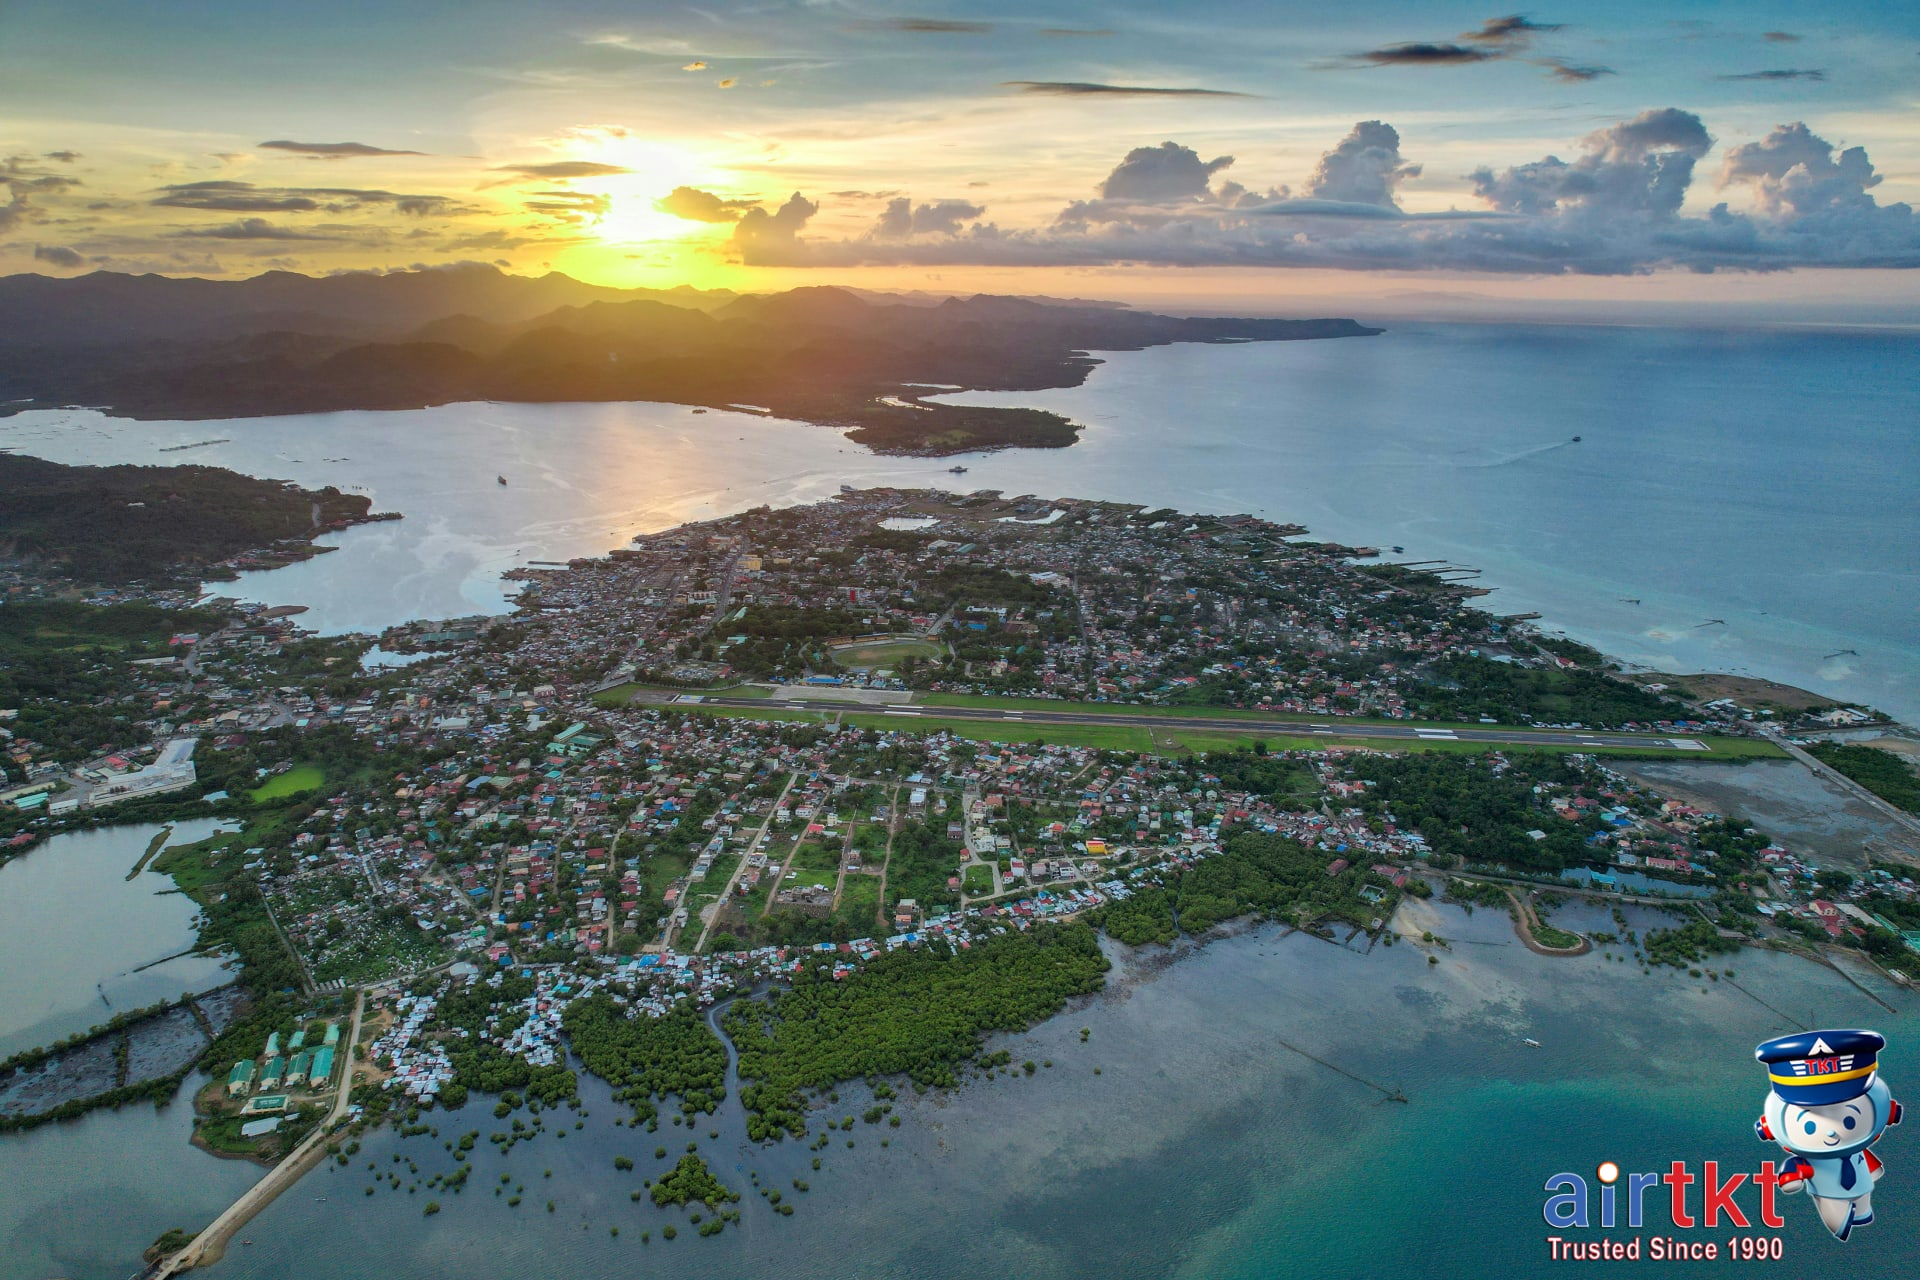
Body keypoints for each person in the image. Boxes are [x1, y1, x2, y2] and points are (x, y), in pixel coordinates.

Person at [1754, 1029, 1901, 1240]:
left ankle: (1860, 1215)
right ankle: (1842, 1222)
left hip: (1860, 1188)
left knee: (1862, 1212)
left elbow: (1867, 1162)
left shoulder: (1861, 1144)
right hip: (1829, 1194)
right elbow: (1795, 1171)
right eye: (1811, 1124)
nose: (1832, 1131)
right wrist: (1792, 1177)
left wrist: (1873, 1169)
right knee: (1837, 1216)